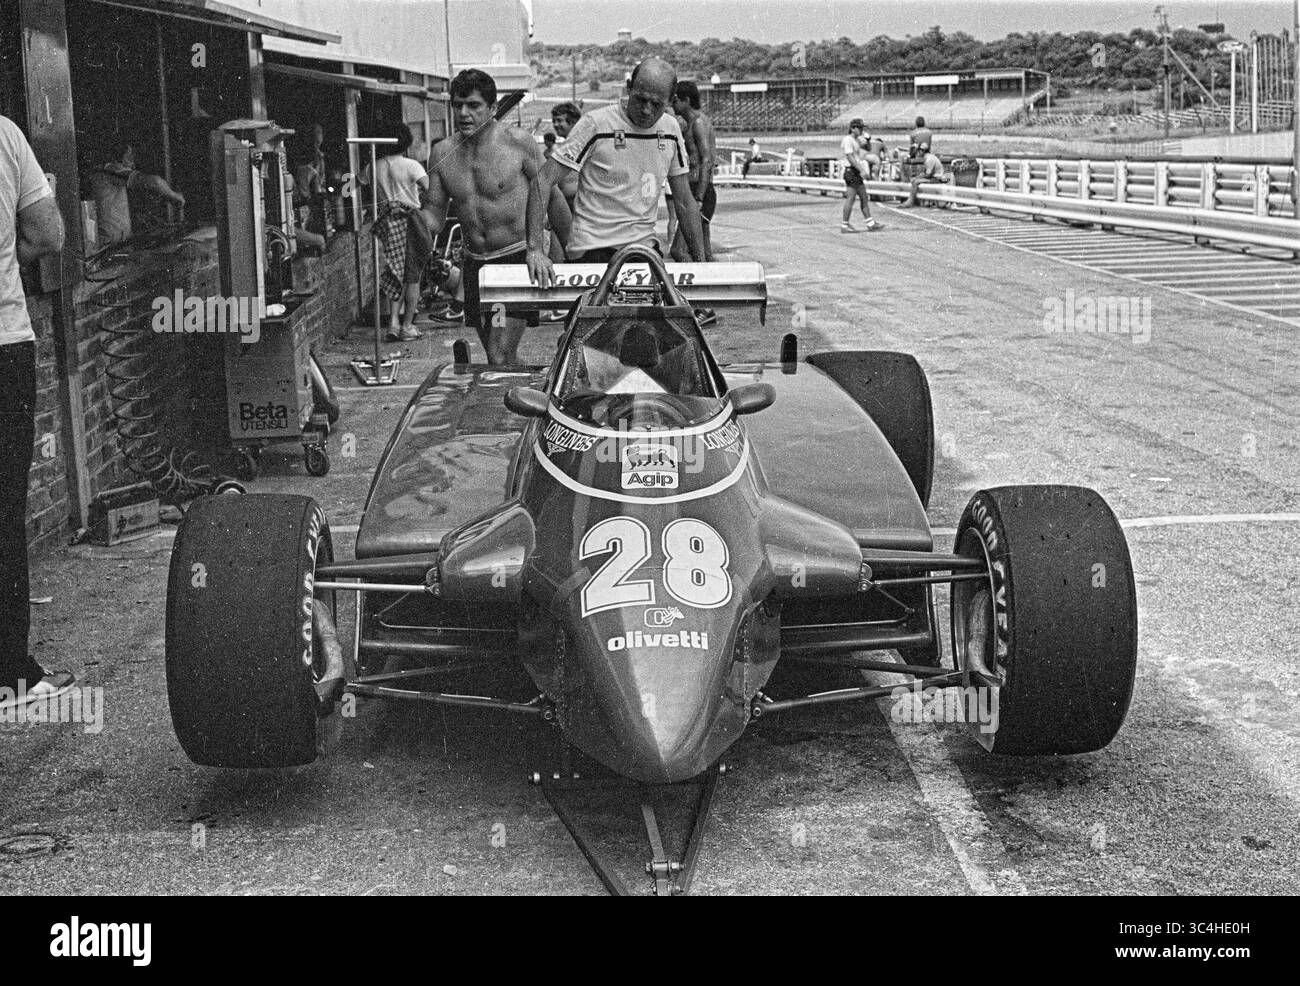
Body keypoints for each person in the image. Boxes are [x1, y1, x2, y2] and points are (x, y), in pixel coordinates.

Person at [0, 113, 73, 716]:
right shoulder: (5, 135)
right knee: (3, 513)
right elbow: (50, 236)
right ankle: (9, 679)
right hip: (3, 345)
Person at [424, 69, 569, 364]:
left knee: (499, 354)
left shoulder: (518, 143)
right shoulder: (442, 153)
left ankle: (525, 401)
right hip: (475, 265)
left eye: (474, 105)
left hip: (514, 261)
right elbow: (434, 217)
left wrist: (573, 250)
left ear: (492, 109)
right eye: (458, 105)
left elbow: (551, 194)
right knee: (497, 356)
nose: (463, 113)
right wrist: (409, 220)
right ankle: (527, 398)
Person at [530, 56, 705, 279]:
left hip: (643, 251)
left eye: (657, 104)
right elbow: (542, 181)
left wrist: (701, 264)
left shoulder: (670, 129)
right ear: (629, 88)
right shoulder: (597, 124)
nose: (647, 110)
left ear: (670, 100)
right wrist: (535, 250)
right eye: (641, 100)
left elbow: (684, 200)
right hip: (593, 253)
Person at [364, 122, 432, 342]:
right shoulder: (411, 165)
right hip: (411, 220)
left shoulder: (372, 167)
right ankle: (408, 325)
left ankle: (393, 323)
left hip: (387, 222)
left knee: (395, 273)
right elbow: (430, 189)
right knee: (413, 276)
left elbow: (351, 186)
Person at [85, 139, 185, 245]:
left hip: (117, 243)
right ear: (116, 159)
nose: (133, 165)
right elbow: (155, 182)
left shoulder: (107, 174)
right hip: (108, 245)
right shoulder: (109, 170)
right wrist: (175, 196)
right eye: (129, 158)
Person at [670, 80, 716, 264]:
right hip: (697, 189)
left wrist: (698, 197)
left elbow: (707, 160)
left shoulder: (698, 123)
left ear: (686, 100)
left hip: (700, 190)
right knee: (703, 254)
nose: (672, 104)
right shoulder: (690, 124)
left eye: (675, 100)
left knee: (679, 250)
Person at [839, 119, 882, 233]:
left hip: (855, 172)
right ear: (852, 128)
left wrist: (867, 139)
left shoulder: (856, 140)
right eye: (859, 128)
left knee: (864, 197)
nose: (861, 130)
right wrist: (861, 170)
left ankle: (870, 223)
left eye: (862, 128)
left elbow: (867, 148)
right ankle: (845, 225)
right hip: (851, 171)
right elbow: (850, 157)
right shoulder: (848, 140)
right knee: (851, 198)